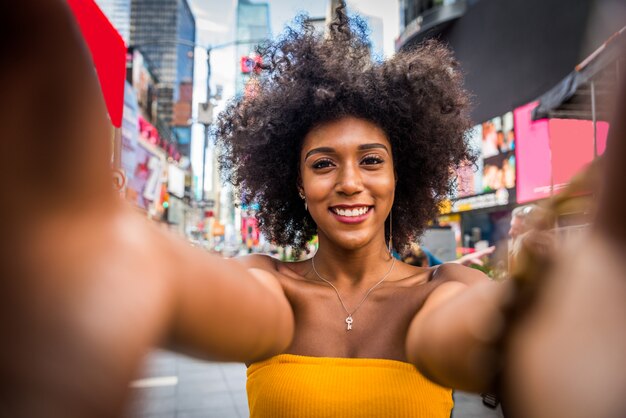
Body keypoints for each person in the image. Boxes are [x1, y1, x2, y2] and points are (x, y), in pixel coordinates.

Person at [3, 1, 626, 418]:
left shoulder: (445, 290)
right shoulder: (268, 288)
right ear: (296, 184)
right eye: (323, 163)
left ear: (400, 175)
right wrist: (127, 257)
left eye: (372, 160)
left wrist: (536, 321)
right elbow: (211, 296)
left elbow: (464, 330)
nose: (349, 183)